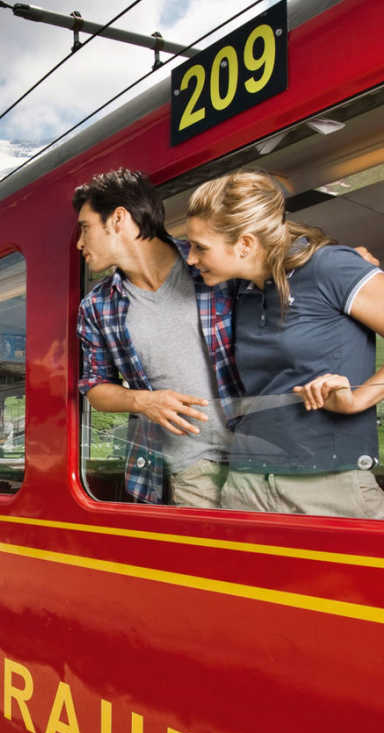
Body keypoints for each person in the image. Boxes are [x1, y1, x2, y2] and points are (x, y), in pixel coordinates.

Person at [184, 169, 384, 518]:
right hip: (246, 482)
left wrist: (359, 399)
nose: (191, 258)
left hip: (328, 483)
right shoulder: (242, 290)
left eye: (200, 248)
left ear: (245, 244)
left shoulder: (332, 267)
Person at [73, 168, 242, 506]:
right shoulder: (97, 305)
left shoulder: (211, 264)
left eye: (85, 228)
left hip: (256, 461)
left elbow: (282, 262)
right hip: (188, 470)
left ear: (118, 219)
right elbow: (95, 387)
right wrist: (142, 401)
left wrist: (344, 265)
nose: (80, 243)